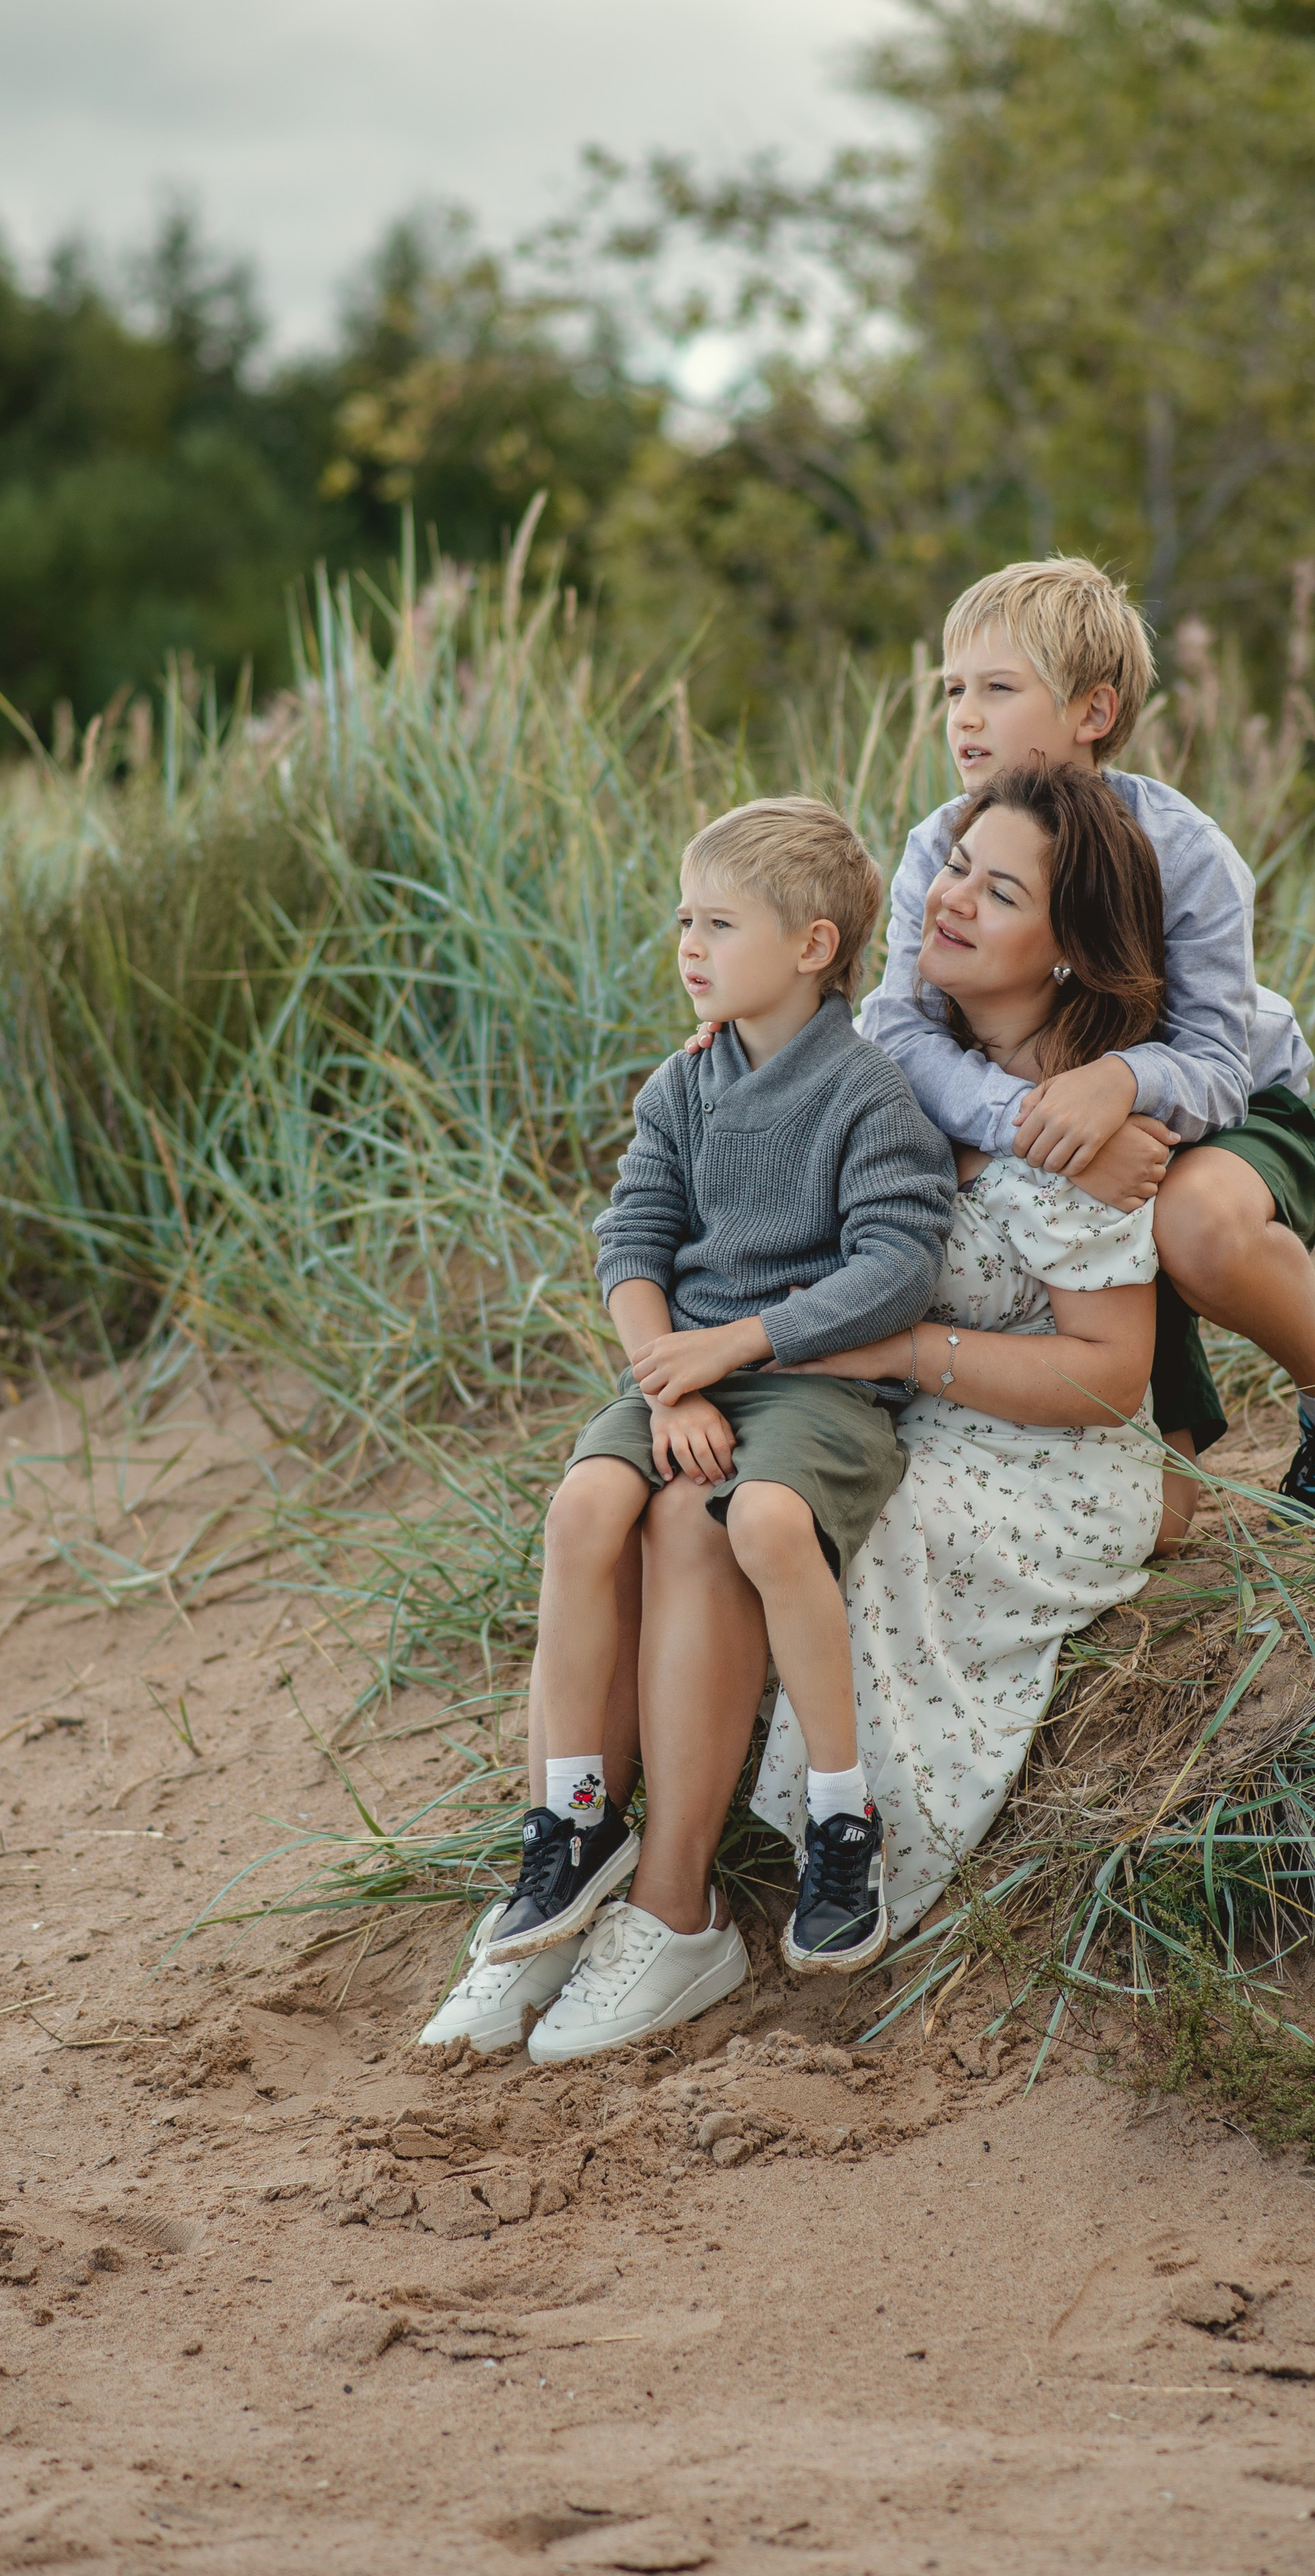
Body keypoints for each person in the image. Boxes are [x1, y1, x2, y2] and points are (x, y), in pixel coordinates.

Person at [505, 761, 1169, 2061]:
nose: (954, 899)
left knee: (747, 1523)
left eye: (1002, 888)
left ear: (1072, 948)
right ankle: (590, 1875)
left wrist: (886, 1346)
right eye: (957, 866)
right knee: (635, 1507)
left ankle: (734, 1879)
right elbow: (670, 1188)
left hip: (1009, 1431)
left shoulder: (1090, 1118)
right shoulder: (872, 1049)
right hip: (819, 1377)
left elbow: (1106, 1377)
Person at [477, 795, 955, 1993]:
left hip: (807, 1384)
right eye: (682, 918)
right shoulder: (682, 1087)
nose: (688, 946)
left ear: (813, 948)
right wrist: (668, 1380)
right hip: (686, 1375)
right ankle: (574, 1818)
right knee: (585, 1507)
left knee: (762, 1520)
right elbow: (630, 1239)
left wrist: (733, 1349)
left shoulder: (866, 1095)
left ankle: (841, 1824)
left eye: (719, 923)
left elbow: (896, 1267)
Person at [859, 555, 1315, 1529]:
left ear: (1095, 711)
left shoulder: (1183, 848)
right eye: (952, 691)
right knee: (1159, 1515)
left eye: (997, 689)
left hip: (1224, 1109)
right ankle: (1129, 1431)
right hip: (1062, 1133)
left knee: (1193, 1226)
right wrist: (1031, 1119)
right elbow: (902, 1024)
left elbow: (1213, 1058)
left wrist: (1117, 1080)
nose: (964, 717)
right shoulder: (939, 843)